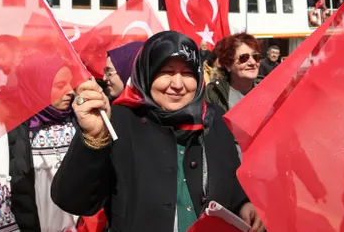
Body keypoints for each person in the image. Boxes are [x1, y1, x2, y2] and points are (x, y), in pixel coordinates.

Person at [52, 31, 265, 232]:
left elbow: (229, 177)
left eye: (188, 73)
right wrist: (93, 139)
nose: (178, 84)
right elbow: (73, 200)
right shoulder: (119, 120)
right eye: (166, 72)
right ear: (147, 73)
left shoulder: (213, 118)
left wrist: (243, 203)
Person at [0, 53, 79, 232]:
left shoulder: (78, 123)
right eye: (61, 85)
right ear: (37, 87)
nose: (71, 91)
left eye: (71, 83)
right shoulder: (7, 131)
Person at [204, 33, 263, 113]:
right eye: (244, 58)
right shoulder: (213, 91)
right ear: (228, 65)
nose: (252, 62)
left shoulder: (267, 90)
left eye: (256, 57)